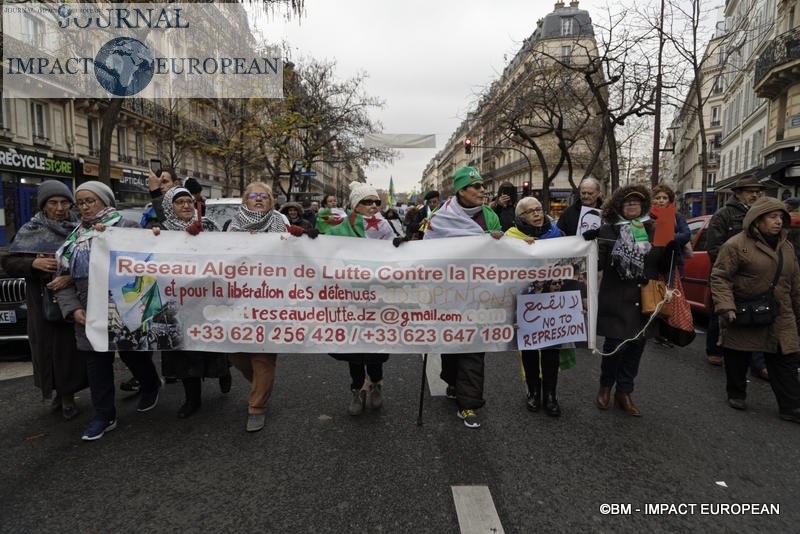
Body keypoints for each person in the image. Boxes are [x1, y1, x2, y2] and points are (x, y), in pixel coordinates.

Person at [54, 181, 161, 440]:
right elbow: (63, 278)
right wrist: (73, 310)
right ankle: (104, 416)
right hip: (89, 311)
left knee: (133, 356)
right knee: (97, 364)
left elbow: (150, 261)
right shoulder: (75, 237)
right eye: (81, 202)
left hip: (124, 308)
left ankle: (150, 385)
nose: (85, 207)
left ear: (105, 201)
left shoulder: (127, 228)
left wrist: (156, 236)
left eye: (91, 201)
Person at [424, 167, 503, 428]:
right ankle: (452, 381)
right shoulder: (439, 217)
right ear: (461, 190)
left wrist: (499, 241)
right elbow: (429, 251)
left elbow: (501, 250)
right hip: (448, 293)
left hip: (479, 292)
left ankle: (468, 404)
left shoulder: (490, 215)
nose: (482, 191)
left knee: (473, 347)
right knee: (451, 345)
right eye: (477, 186)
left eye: (482, 186)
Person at [710, 197, 800, 423]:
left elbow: (796, 283)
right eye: (772, 217)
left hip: (782, 313)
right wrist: (726, 306)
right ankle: (736, 393)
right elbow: (720, 278)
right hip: (746, 310)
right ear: (757, 221)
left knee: (785, 359)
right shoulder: (735, 245)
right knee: (738, 355)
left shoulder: (787, 247)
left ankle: (791, 407)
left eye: (781, 217)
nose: (778, 222)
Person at [2, 180, 86, 421]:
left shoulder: (79, 230)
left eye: (64, 202)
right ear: (43, 205)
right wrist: (33, 263)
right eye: (53, 203)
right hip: (41, 304)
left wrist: (71, 276)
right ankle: (58, 393)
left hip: (72, 301)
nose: (59, 208)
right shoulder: (31, 230)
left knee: (68, 352)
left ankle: (68, 396)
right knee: (46, 351)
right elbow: (9, 263)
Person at [152, 187, 232, 418]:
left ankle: (224, 371)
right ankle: (192, 399)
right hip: (178, 300)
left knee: (214, 342)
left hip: (208, 296)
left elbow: (226, 253)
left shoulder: (207, 226)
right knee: (183, 348)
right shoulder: (161, 230)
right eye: (180, 202)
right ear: (170, 206)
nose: (186, 205)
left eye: (189, 201)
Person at [594, 184, 672, 417]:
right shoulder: (608, 231)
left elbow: (663, 265)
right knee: (613, 348)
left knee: (636, 348)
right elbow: (597, 264)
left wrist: (671, 249)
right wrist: (589, 244)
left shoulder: (655, 230)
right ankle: (605, 386)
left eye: (636, 202)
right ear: (618, 206)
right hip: (616, 296)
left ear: (644, 206)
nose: (632, 205)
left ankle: (624, 392)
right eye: (627, 202)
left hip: (643, 298)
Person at [317, 181, 395, 415]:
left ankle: (377, 384)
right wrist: (312, 239)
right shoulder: (340, 227)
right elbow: (324, 251)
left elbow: (397, 257)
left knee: (375, 348)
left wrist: (400, 247)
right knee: (354, 347)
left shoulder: (386, 226)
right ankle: (357, 389)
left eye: (376, 202)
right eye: (366, 202)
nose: (373, 206)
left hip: (377, 296)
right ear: (355, 205)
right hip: (349, 296)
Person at [225, 183, 286, 432]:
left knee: (262, 354)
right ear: (245, 200)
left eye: (264, 196)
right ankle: (262, 383)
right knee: (238, 355)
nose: (259, 199)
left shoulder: (280, 225)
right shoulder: (231, 226)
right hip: (237, 299)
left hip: (269, 300)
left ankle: (257, 405)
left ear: (271, 201)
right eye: (253, 195)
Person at [504, 196, 565, 416]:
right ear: (521, 217)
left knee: (551, 351)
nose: (537, 214)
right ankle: (533, 391)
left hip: (551, 303)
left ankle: (550, 394)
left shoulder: (558, 235)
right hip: (525, 303)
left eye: (539, 209)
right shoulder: (511, 238)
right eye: (531, 211)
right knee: (529, 350)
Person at [704, 175, 764, 369]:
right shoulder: (723, 215)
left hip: (755, 276)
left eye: (757, 192)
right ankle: (715, 350)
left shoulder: (761, 215)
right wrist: (736, 265)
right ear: (738, 194)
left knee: (754, 315)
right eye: (750, 192)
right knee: (720, 312)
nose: (754, 195)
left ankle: (751, 358)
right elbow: (714, 247)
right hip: (728, 275)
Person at [649, 183, 692, 347]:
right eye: (658, 198)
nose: (661, 201)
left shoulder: (676, 215)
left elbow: (686, 234)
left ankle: (667, 330)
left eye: (664, 198)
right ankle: (654, 328)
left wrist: (669, 238)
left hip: (672, 263)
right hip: (653, 262)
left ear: (670, 200)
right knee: (653, 296)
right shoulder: (648, 216)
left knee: (669, 297)